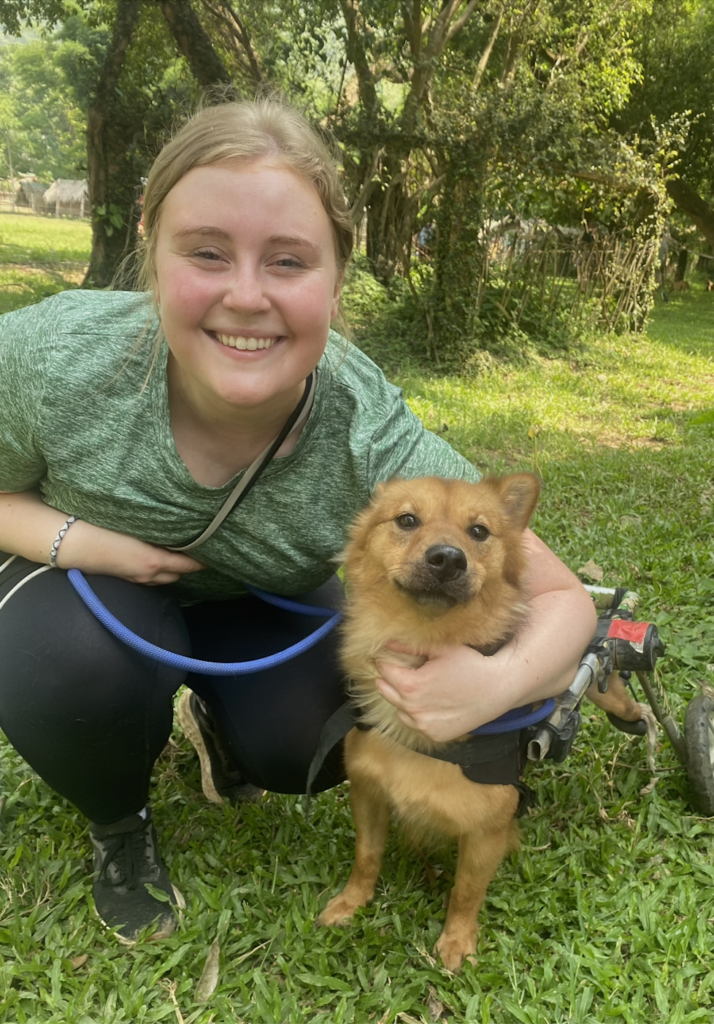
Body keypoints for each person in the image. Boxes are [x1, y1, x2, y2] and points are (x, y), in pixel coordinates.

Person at [0, 99, 596, 945]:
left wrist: (493, 685)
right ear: (152, 246)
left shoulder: (367, 427)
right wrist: (84, 543)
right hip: (77, 589)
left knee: (310, 728)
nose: (247, 297)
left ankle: (224, 723)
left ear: (336, 277)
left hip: (250, 601)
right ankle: (119, 822)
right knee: (68, 664)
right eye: (207, 252)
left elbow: (568, 597)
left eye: (288, 261)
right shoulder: (50, 359)